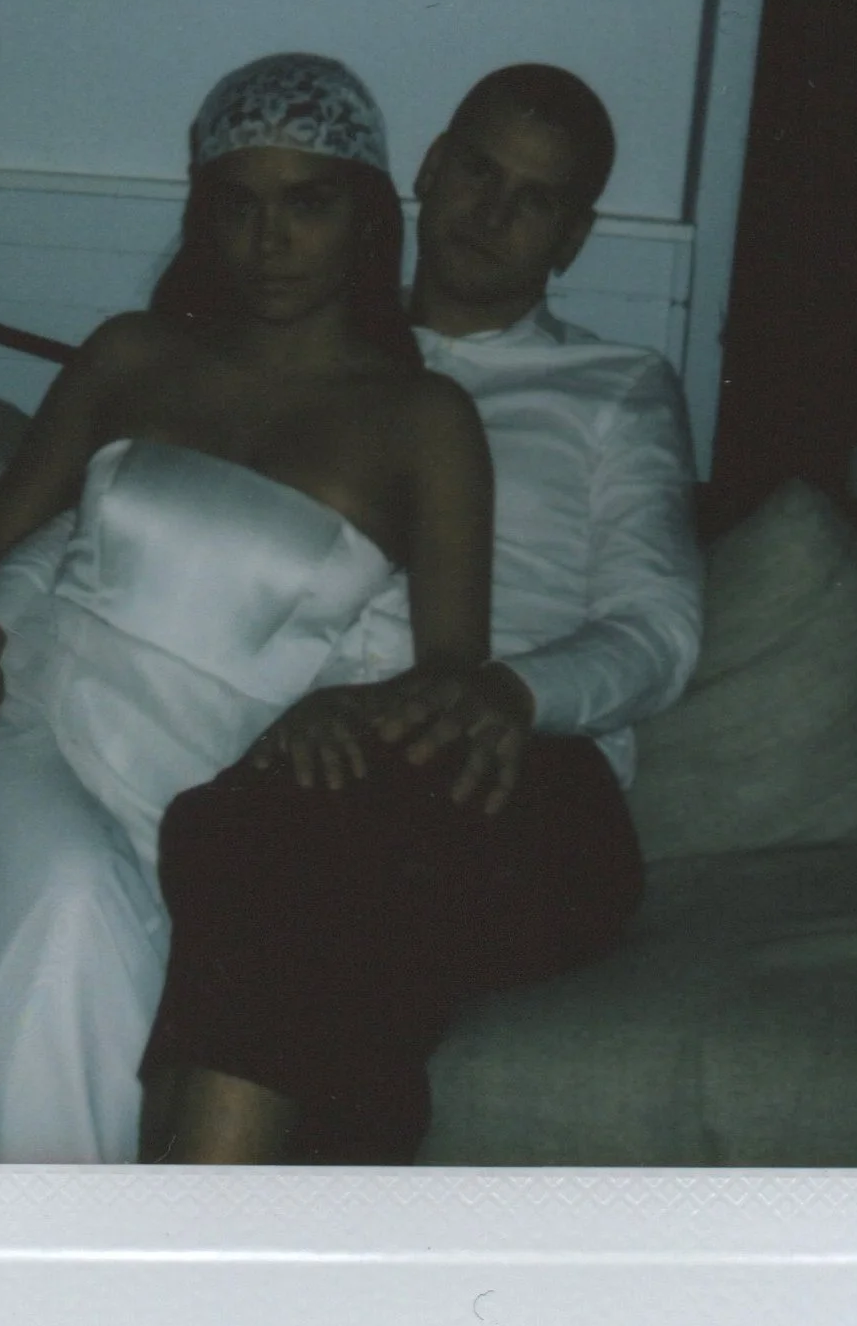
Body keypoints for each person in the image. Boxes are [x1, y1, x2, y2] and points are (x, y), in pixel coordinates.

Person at [0, 54, 493, 1163]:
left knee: (113, 935)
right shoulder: (135, 354)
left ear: (365, 217)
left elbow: (454, 674)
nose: (270, 240)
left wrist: (350, 713)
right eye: (238, 204)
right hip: (23, 715)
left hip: (206, 778)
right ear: (202, 214)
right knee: (68, 898)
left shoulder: (423, 420)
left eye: (308, 203)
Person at [140, 63, 704, 1162]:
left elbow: (660, 629)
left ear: (572, 236)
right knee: (298, 878)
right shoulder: (306, 356)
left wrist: (505, 690)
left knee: (258, 850)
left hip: (531, 785)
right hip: (324, 767)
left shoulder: (615, 388)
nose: (490, 213)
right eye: (477, 173)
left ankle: (183, 1253)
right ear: (430, 171)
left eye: (532, 198)